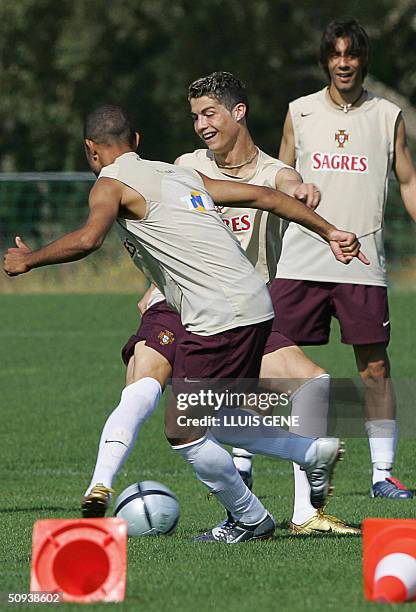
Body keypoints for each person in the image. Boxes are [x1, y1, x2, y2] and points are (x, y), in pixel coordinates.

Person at [4, 105, 366, 542]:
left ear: (90, 150)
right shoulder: (177, 174)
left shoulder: (109, 183)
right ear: (136, 141)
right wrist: (330, 231)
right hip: (256, 303)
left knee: (182, 428)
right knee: (219, 416)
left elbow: (88, 239)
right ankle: (309, 451)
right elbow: (265, 197)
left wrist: (29, 260)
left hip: (216, 315)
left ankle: (250, 517)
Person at [277, 18, 416, 499]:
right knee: (274, 362)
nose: (343, 63)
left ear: (362, 60)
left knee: (374, 367)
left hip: (362, 264)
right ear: (325, 61)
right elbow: (279, 180)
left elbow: (408, 181)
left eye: (351, 55)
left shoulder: (388, 115)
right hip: (300, 259)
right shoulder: (300, 112)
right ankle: (250, 463)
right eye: (335, 55)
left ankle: (382, 475)